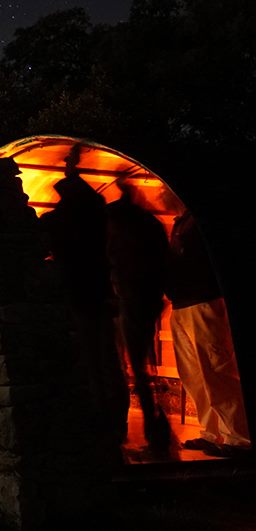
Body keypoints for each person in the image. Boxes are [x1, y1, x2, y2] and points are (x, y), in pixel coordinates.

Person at [41, 169, 129, 447]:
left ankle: (96, 422)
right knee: (107, 361)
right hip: (100, 298)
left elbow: (39, 246)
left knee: (87, 362)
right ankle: (115, 424)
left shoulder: (60, 221)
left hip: (75, 298)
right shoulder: (100, 219)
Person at [166, 213, 251, 456]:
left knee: (216, 372)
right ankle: (213, 432)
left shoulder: (202, 220)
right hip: (183, 304)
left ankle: (239, 438)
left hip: (204, 301)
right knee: (194, 375)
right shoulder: (182, 222)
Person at [106, 181, 171, 452]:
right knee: (141, 366)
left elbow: (113, 261)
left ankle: (136, 430)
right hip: (148, 300)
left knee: (126, 366)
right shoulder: (152, 225)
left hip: (129, 301)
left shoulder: (118, 228)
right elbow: (163, 261)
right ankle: (155, 429)